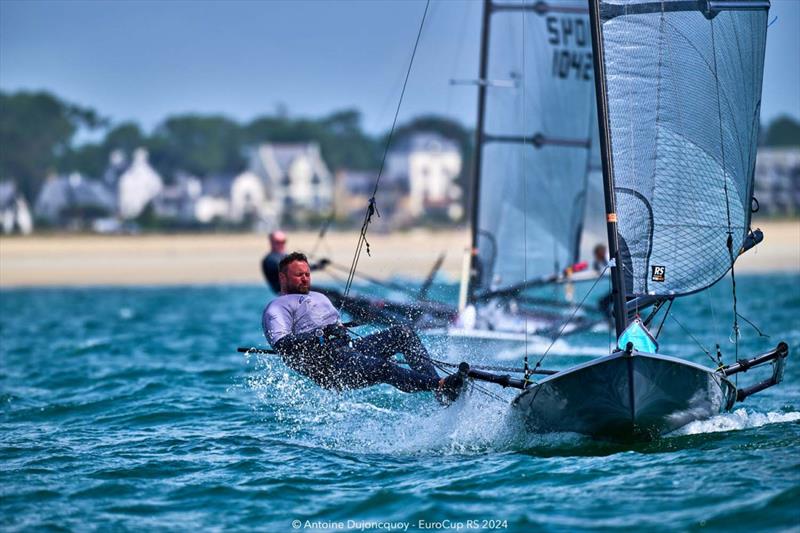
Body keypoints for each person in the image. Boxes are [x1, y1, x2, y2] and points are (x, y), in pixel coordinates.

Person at [262, 252, 468, 404]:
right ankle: (440, 385)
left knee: (402, 333)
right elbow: (283, 345)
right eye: (299, 275)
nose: (305, 278)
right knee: (383, 367)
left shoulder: (319, 297)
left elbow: (337, 327)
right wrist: (321, 335)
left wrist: (360, 318)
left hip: (349, 352)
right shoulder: (276, 308)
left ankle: (440, 390)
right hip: (330, 369)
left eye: (307, 273)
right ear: (282, 278)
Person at [261, 230, 330, 293]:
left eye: (283, 241)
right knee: (330, 294)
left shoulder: (285, 256)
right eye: (278, 242)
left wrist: (318, 265)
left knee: (334, 293)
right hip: (289, 290)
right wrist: (316, 266)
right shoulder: (270, 259)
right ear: (271, 242)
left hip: (299, 287)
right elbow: (292, 269)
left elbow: (298, 268)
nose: (281, 244)